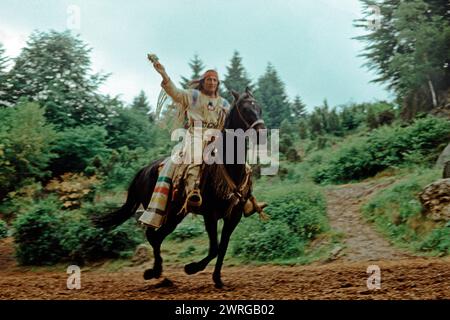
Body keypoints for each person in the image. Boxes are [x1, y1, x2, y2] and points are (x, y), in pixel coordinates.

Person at [140, 59, 266, 228]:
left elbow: (232, 120)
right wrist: (163, 74)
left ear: (218, 83)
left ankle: (246, 199)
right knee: (196, 158)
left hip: (217, 137)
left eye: (214, 80)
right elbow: (175, 92)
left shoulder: (224, 104)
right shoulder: (193, 96)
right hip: (196, 137)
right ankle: (193, 192)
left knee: (241, 163)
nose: (212, 82)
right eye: (209, 80)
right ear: (203, 82)